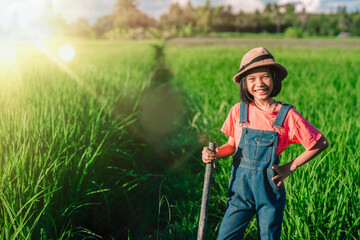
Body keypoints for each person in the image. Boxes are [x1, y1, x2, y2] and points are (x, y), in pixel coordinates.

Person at [202, 47, 328, 240]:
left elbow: (320, 143)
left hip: (269, 192)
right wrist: (215, 153)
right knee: (226, 236)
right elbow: (232, 146)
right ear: (244, 84)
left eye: (265, 77)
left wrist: (288, 167)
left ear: (274, 79)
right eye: (252, 79)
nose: (259, 84)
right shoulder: (239, 111)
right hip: (240, 192)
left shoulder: (286, 115)